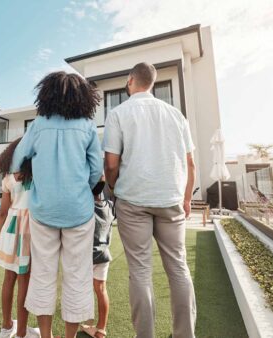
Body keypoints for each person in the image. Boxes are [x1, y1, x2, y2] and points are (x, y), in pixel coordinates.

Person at [103, 62, 197, 338]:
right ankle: (185, 335)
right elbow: (191, 165)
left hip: (133, 201)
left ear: (131, 80)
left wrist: (113, 188)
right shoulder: (176, 116)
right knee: (178, 267)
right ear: (152, 83)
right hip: (171, 200)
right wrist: (187, 198)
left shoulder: (118, 113)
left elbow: (110, 164)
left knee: (141, 272)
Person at [11, 71, 103, 338]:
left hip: (44, 211)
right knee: (77, 277)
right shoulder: (87, 126)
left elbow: (17, 160)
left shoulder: (39, 124)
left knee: (42, 275)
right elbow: (96, 170)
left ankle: (47, 336)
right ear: (82, 97)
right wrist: (80, 188)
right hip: (79, 211)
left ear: (47, 94)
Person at [0, 138, 41, 338]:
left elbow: (2, 212)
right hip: (30, 229)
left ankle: (6, 327)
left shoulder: (8, 177)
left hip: (10, 230)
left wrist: (2, 237)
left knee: (8, 278)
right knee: (24, 280)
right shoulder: (37, 175)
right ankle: (21, 332)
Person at [81, 179, 113, 338]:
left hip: (86, 256)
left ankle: (71, 330)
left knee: (77, 291)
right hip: (104, 255)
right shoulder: (109, 206)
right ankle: (101, 330)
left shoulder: (85, 207)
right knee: (101, 291)